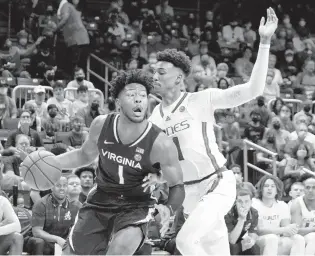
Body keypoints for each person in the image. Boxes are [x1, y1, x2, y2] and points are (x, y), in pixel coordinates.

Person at [149, 7, 278, 255]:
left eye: (161, 71)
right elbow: (158, 164)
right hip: (189, 196)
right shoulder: (154, 117)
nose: (154, 75)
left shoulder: (202, 99)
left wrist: (264, 43)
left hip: (216, 183)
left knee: (186, 242)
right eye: (154, 71)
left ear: (178, 78)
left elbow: (253, 89)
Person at [56, 69, 184, 255]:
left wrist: (168, 208)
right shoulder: (101, 125)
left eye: (143, 95)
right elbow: (84, 155)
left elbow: (178, 186)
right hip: (101, 198)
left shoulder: (160, 143)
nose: (138, 99)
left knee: (120, 250)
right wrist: (52, 161)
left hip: (136, 205)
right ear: (118, 103)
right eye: (131, 95)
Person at [224, 189, 260, 255]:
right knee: (233, 248)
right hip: (229, 243)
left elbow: (253, 232)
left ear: (251, 202)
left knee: (254, 248)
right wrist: (241, 219)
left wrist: (251, 240)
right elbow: (232, 240)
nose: (243, 205)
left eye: (246, 201)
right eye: (240, 201)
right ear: (236, 202)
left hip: (243, 239)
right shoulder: (228, 214)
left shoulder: (254, 212)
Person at [291, 174, 315, 255]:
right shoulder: (297, 203)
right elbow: (296, 230)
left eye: (314, 187)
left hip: (311, 235)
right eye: (308, 187)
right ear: (304, 189)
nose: (311, 190)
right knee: (312, 237)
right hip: (299, 236)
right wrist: (313, 229)